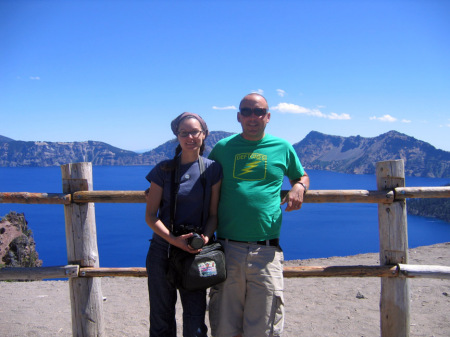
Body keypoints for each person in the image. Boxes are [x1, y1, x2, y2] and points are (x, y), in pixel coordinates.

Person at [208, 93, 310, 337]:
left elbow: (301, 175)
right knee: (224, 328)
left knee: (263, 329)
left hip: (266, 251)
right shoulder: (223, 148)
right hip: (227, 249)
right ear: (238, 116)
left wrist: (298, 186)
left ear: (268, 116)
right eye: (246, 111)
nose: (253, 116)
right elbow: (201, 179)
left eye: (259, 111)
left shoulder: (282, 147)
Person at [145, 112, 222, 337]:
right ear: (177, 137)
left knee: (195, 320)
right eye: (184, 133)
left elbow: (213, 215)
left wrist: (205, 237)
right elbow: (151, 215)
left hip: (195, 253)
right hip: (163, 251)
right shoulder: (163, 170)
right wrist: (174, 240)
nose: (190, 137)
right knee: (161, 317)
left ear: (204, 134)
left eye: (194, 132)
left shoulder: (213, 169)